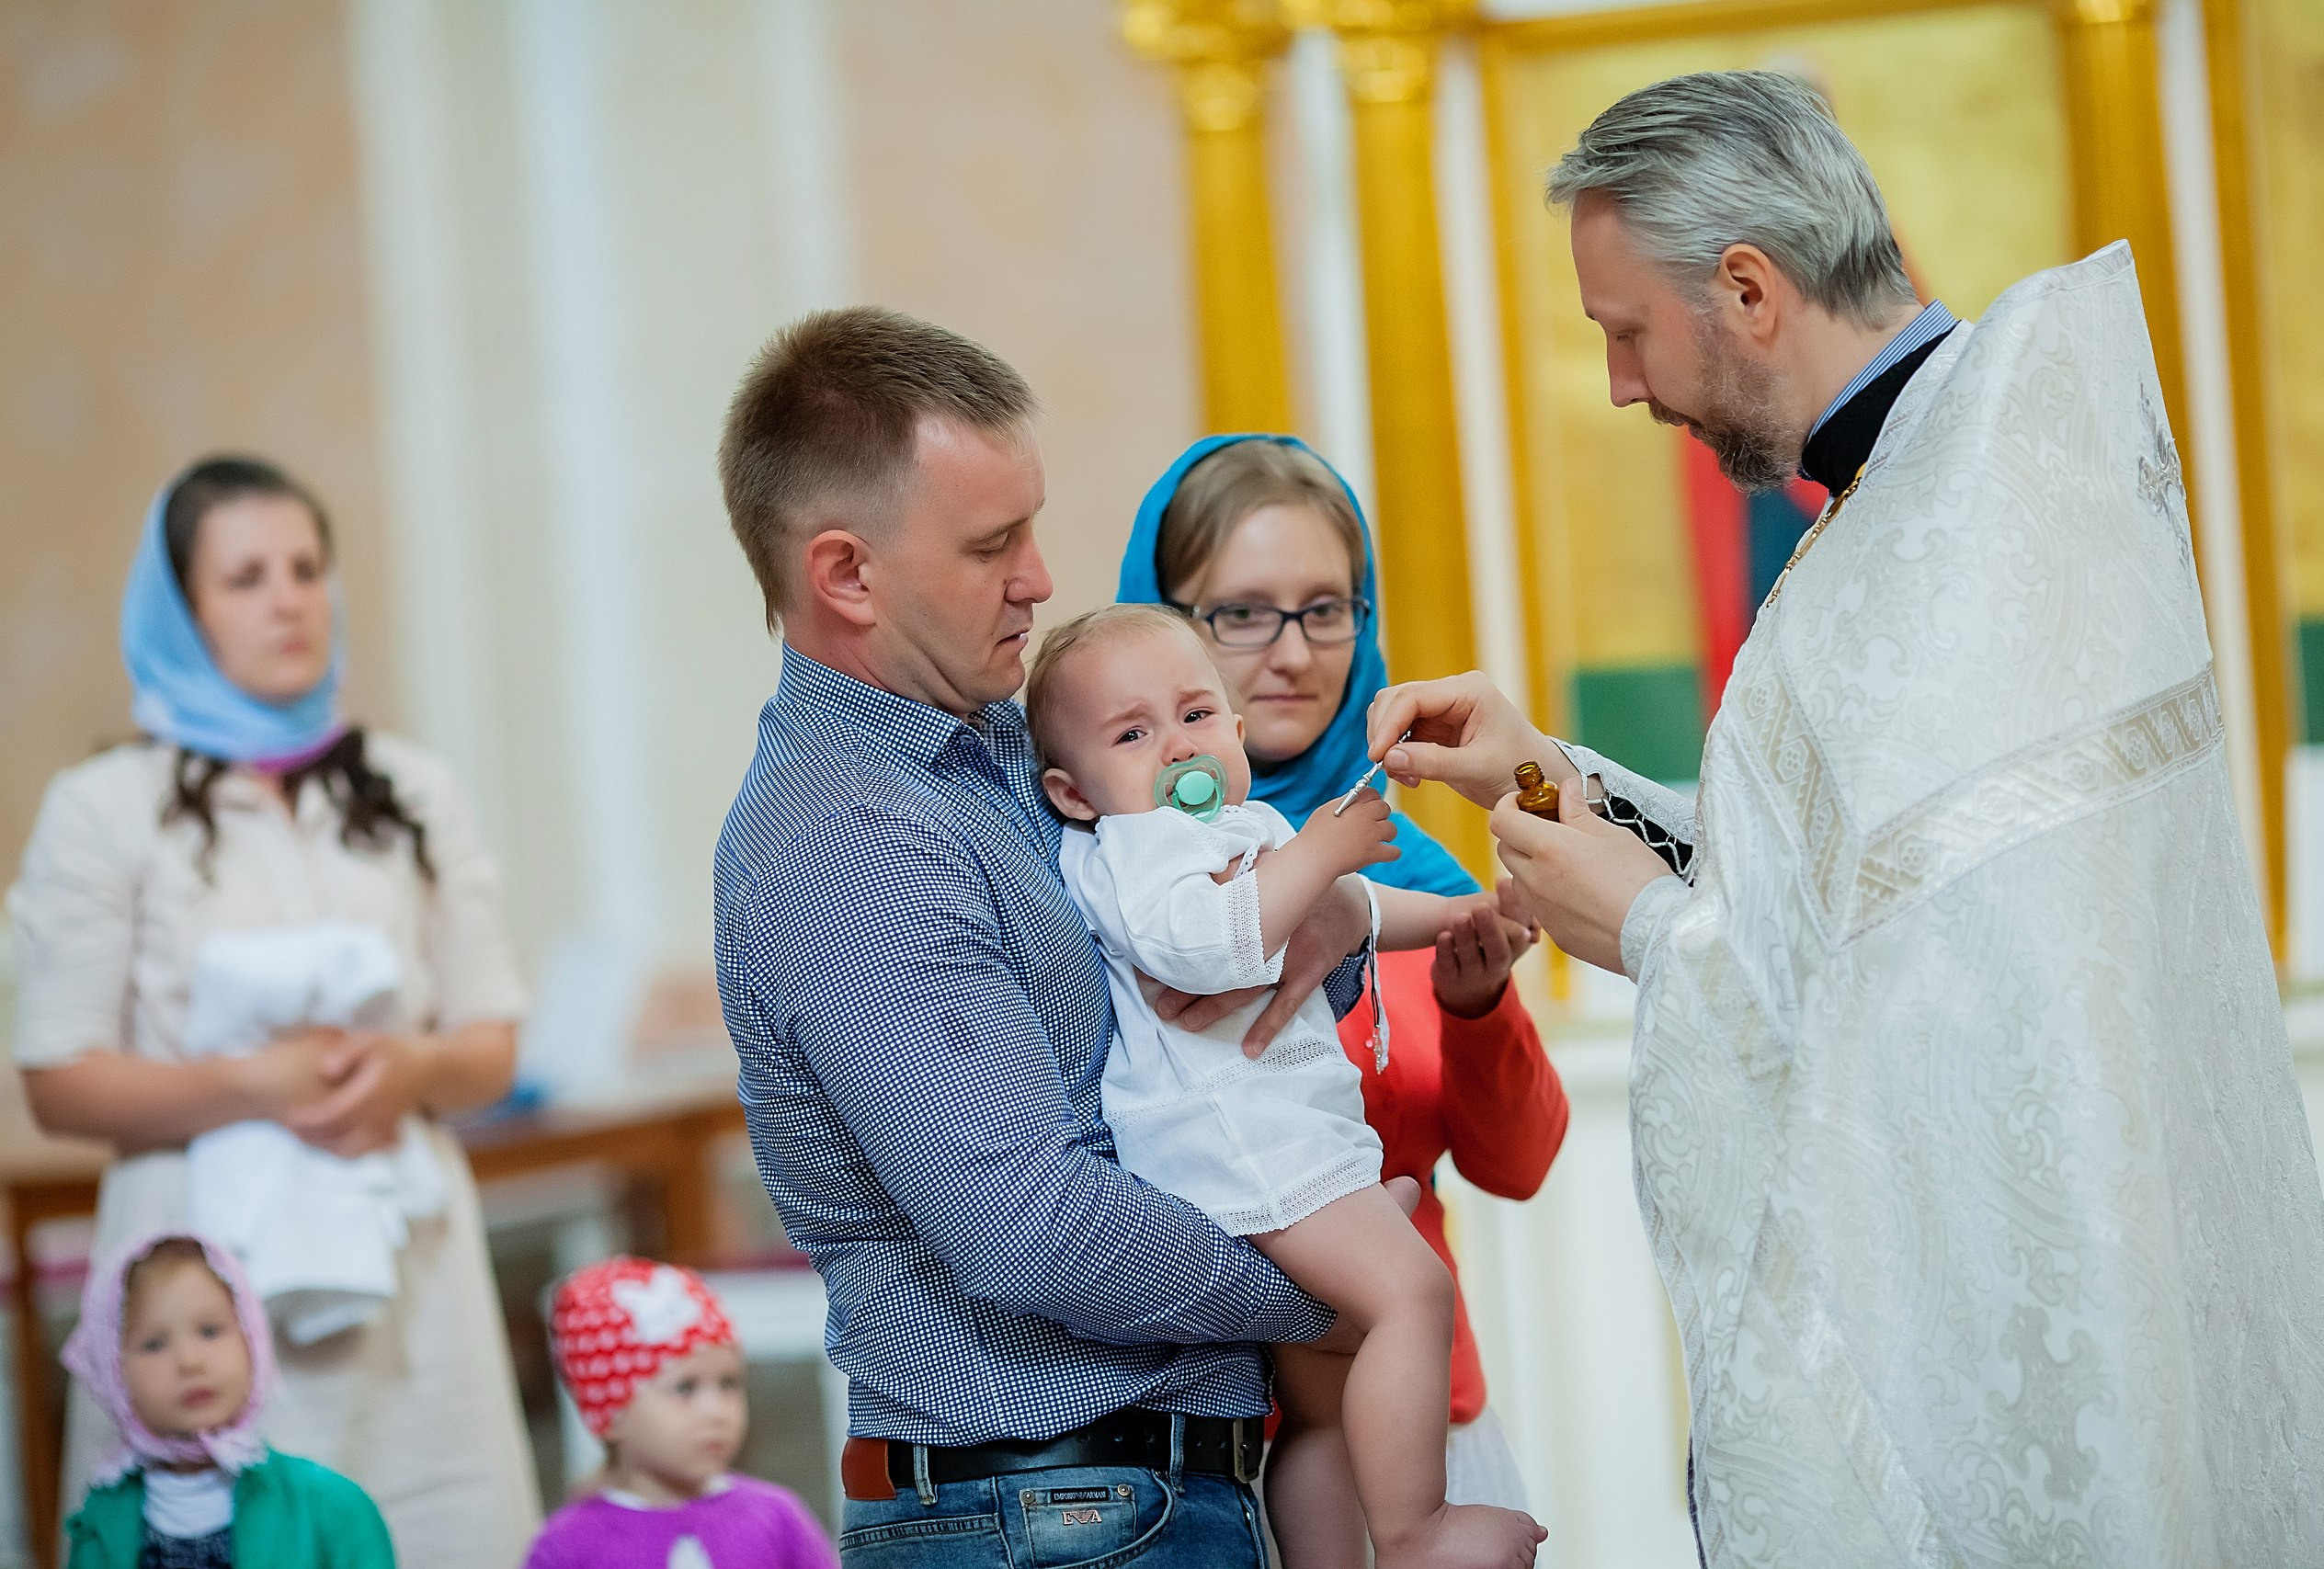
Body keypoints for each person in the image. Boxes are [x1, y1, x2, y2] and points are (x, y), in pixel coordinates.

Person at [1365, 70, 2324, 1564]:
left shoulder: (1948, 538)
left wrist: (1632, 919)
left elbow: (1919, 1018)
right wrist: (1537, 771)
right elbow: (1850, 878)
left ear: (1748, 289)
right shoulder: (1956, 485)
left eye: (1627, 331)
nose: (1628, 386)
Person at [712, 307, 1509, 1569]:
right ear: (847, 574)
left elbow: (1189, 901)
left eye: (1030, 526)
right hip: (1047, 1506)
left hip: (1122, 1495)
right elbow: (1030, 1223)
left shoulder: (989, 750)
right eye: (992, 544)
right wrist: (1339, 1281)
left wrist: (1329, 922)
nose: (1039, 574)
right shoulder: (848, 832)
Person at [9, 457, 541, 1566]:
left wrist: (404, 1072)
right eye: (246, 576)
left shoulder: (408, 788)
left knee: (436, 1526)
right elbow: (59, 1080)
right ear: (180, 611)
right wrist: (255, 1084)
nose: (290, 598)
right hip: (193, 1281)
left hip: (411, 1276)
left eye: (307, 568)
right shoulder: (106, 807)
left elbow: (489, 1043)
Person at [1025, 603, 1544, 1569]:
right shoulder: (1136, 848)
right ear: (1074, 790)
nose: (1178, 745)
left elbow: (1359, 914)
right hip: (1242, 1153)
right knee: (1414, 1295)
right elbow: (1200, 945)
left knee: (1319, 1394)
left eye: (1196, 714)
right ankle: (1415, 1533)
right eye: (1132, 734)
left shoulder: (1232, 827)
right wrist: (1324, 853)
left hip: (1268, 1152)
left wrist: (1465, 915)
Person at [1117, 435, 1568, 1512]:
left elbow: (1517, 1165)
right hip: (1182, 1457)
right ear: (1165, 620)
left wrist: (1476, 1004)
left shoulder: (1408, 875)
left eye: (1327, 608)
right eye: (1241, 613)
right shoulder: (1106, 872)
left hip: (1413, 1433)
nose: (1291, 653)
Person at [60, 1232, 394, 1569]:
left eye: (210, 1331)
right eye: (154, 1345)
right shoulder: (99, 1523)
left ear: (252, 1337)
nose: (189, 1361)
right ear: (111, 1369)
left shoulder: (332, 1510)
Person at [526, 1256, 836, 1569]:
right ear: (613, 1412)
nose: (717, 1412)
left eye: (729, 1384)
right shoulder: (568, 1547)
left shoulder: (778, 1519)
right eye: (685, 1388)